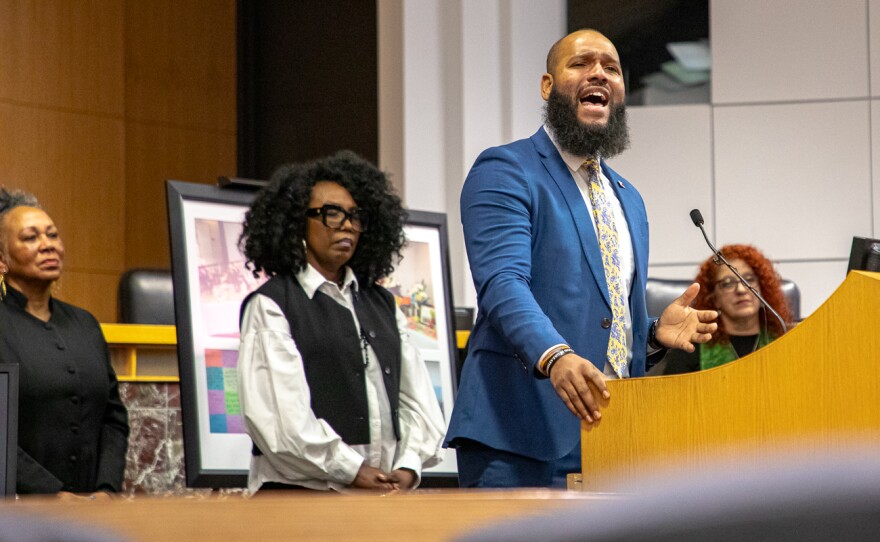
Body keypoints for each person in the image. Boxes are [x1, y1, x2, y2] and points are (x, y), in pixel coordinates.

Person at [444, 29, 718, 488]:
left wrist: (652, 337)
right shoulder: (507, 169)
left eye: (611, 68)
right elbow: (503, 284)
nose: (599, 74)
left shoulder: (628, 198)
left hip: (610, 439)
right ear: (548, 86)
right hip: (517, 437)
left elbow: (602, 318)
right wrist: (555, 356)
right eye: (581, 64)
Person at [237, 151, 445, 493]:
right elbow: (281, 424)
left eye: (355, 216)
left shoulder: (382, 304)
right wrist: (353, 470)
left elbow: (416, 401)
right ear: (296, 221)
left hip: (379, 496)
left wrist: (408, 465)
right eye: (332, 214)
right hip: (298, 501)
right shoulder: (272, 304)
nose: (347, 225)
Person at [0, 188, 129, 495]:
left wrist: (106, 489)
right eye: (31, 238)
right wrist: (53, 495)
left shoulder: (85, 324)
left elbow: (113, 417)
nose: (48, 246)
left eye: (53, 235)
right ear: (2, 260)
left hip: (93, 506)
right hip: (20, 513)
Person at [663, 244, 792, 374]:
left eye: (748, 280)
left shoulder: (786, 341)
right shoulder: (692, 345)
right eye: (728, 283)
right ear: (714, 298)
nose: (741, 290)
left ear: (762, 288)